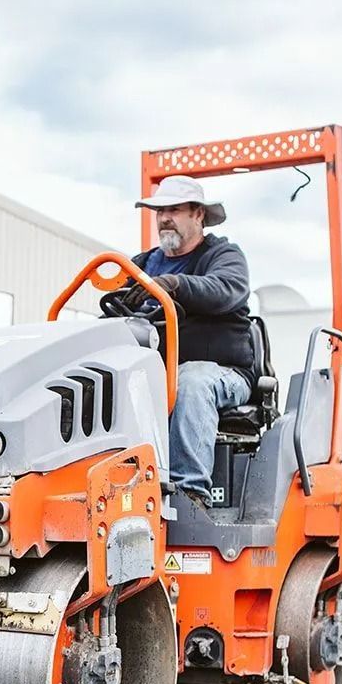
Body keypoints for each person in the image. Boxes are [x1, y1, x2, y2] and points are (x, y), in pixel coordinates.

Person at [104, 175, 256, 511]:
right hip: (155, 373)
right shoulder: (141, 265)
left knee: (190, 380)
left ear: (199, 215)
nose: (163, 218)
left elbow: (225, 290)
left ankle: (188, 499)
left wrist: (174, 284)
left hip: (222, 373)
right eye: (159, 211)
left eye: (173, 209)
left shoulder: (224, 256)